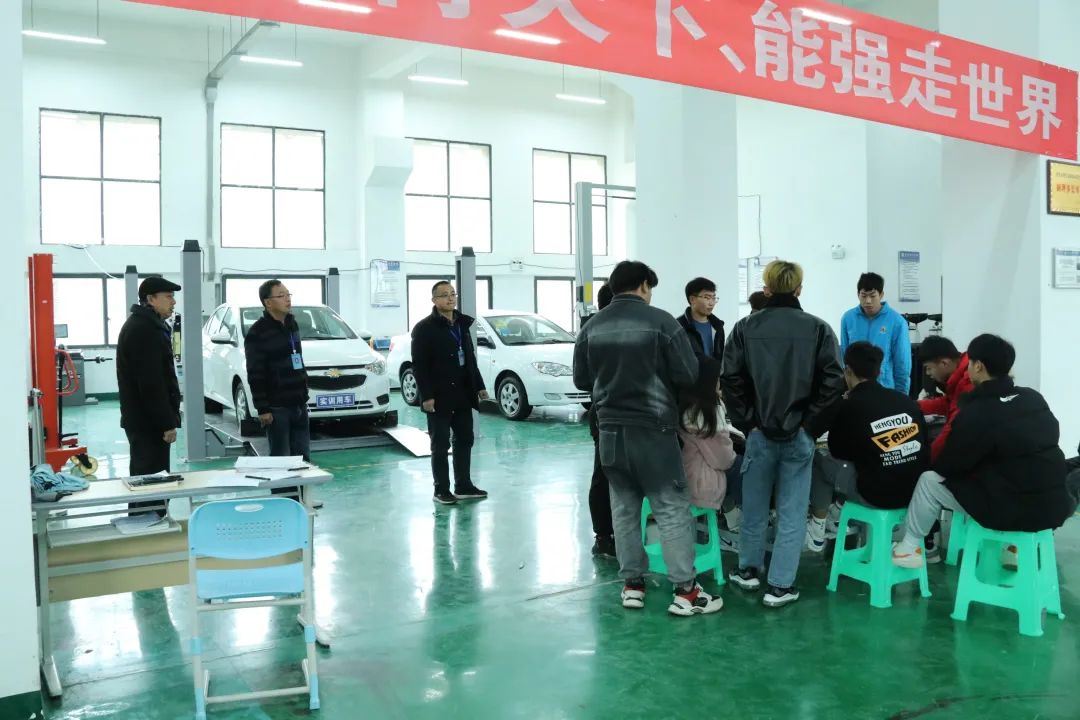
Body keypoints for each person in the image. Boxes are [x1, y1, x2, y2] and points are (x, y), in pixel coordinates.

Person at [573, 260, 722, 616]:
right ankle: (686, 592)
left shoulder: (591, 327)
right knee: (670, 509)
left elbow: (581, 380)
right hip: (654, 432)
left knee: (624, 510)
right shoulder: (662, 323)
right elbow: (688, 373)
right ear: (643, 285)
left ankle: (632, 586)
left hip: (610, 433)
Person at [893, 334, 1077, 568]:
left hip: (1011, 511)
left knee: (929, 480)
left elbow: (949, 466)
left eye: (970, 362)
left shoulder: (976, 410)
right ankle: (1011, 548)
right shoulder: (1033, 397)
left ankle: (909, 548)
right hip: (1055, 507)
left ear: (978, 366)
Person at [721, 260, 845, 607]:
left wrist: (749, 423)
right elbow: (833, 382)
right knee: (792, 512)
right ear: (799, 289)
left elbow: (730, 379)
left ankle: (748, 570)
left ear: (766, 288)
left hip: (759, 434)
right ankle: (780, 586)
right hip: (800, 436)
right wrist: (810, 426)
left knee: (755, 506)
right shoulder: (819, 329)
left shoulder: (745, 328)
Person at [806, 342, 929, 551]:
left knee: (819, 458)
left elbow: (838, 451)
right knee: (870, 462)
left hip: (876, 495)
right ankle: (837, 512)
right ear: (878, 372)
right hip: (914, 493)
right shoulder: (905, 400)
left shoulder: (849, 406)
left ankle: (817, 528)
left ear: (847, 371)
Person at [411, 281, 489, 505]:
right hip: (439, 396)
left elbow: (470, 358)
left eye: (453, 294)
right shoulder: (424, 328)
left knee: (465, 439)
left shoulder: (462, 324)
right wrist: (427, 396)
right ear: (434, 300)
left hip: (462, 393)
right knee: (440, 444)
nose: (450, 298)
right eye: (444, 295)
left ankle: (463, 486)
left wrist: (479, 386)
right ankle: (441, 490)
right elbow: (419, 366)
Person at [116, 276, 182, 515]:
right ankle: (147, 523)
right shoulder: (144, 330)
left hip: (145, 420)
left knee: (149, 477)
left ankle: (146, 521)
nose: (173, 302)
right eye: (168, 297)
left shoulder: (149, 325)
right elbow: (151, 384)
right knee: (151, 480)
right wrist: (166, 423)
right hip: (148, 422)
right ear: (151, 299)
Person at [245, 281, 312, 495]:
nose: (287, 299)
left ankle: (303, 497)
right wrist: (262, 408)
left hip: (298, 402)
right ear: (268, 303)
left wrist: (304, 390)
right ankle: (284, 499)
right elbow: (255, 373)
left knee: (303, 456)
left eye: (288, 294)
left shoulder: (292, 324)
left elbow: (298, 358)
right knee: (281, 458)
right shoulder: (258, 333)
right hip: (277, 406)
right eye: (281, 295)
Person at [678, 359, 742, 513]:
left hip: (684, 476)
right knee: (743, 465)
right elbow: (724, 460)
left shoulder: (684, 407)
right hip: (701, 484)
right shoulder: (707, 415)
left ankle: (733, 512)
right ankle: (741, 514)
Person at [839, 273, 911, 392]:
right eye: (863, 296)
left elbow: (902, 364)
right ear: (858, 295)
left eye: (873, 296)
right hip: (856, 390)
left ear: (881, 295)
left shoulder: (897, 322)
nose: (868, 301)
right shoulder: (848, 318)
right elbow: (844, 357)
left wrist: (902, 395)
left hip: (885, 389)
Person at [588, 284, 616, 557]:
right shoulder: (596, 331)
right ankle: (604, 536)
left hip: (613, 413)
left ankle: (613, 534)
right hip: (605, 414)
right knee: (604, 475)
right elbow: (583, 378)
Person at [916, 336, 974, 462]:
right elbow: (948, 403)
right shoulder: (960, 376)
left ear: (944, 363)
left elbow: (953, 428)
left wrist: (927, 460)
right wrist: (913, 405)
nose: (927, 373)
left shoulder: (968, 383)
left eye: (928, 368)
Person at [677, 277, 725, 364]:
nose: (711, 303)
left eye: (713, 298)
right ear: (692, 299)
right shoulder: (678, 326)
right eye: (707, 298)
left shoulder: (718, 326)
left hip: (714, 372)